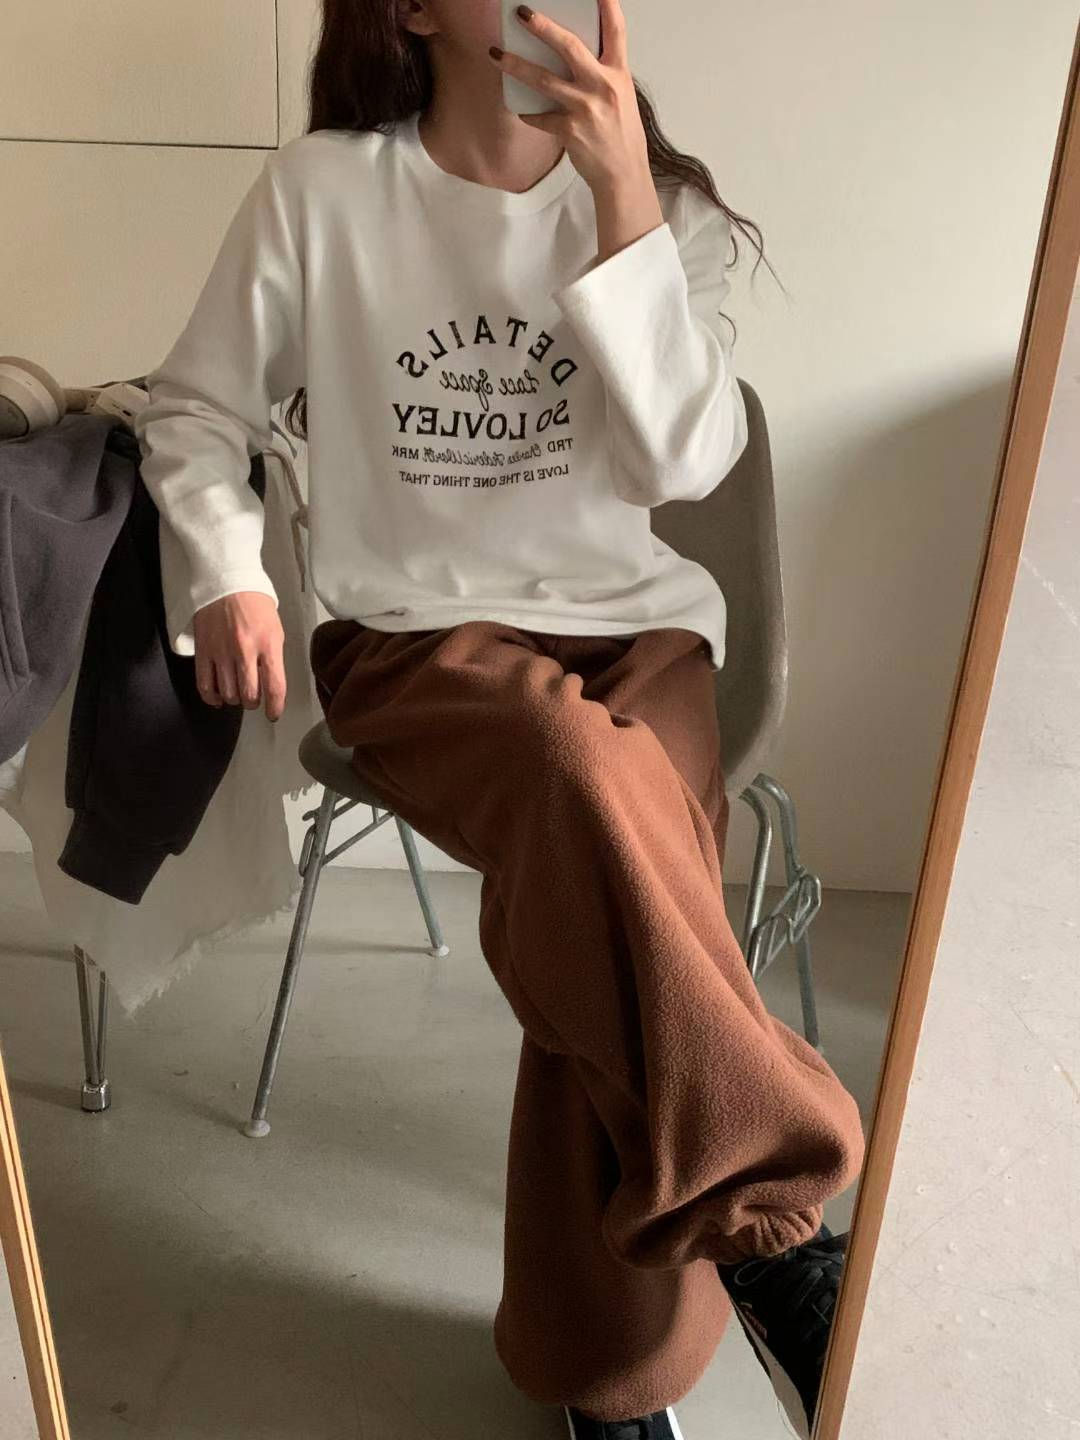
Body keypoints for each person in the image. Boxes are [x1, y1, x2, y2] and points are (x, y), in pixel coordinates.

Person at [133, 2, 866, 1436]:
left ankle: (608, 1382)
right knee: (575, 781)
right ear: (414, 7)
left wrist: (622, 206)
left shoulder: (660, 206)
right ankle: (769, 1225)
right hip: (414, 640)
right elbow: (196, 412)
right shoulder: (326, 192)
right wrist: (229, 574)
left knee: (597, 874)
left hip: (640, 631)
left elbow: (683, 462)